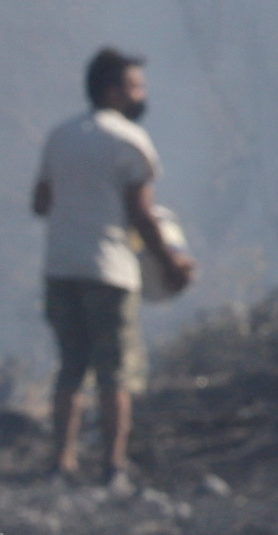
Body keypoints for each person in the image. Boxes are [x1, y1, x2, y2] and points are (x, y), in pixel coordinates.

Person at [31, 47, 183, 487]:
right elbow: (142, 214)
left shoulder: (60, 136)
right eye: (135, 87)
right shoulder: (129, 140)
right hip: (110, 270)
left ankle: (62, 461)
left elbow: (40, 203)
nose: (142, 96)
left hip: (61, 266)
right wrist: (170, 263)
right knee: (115, 371)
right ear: (112, 91)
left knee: (70, 367)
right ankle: (113, 466)